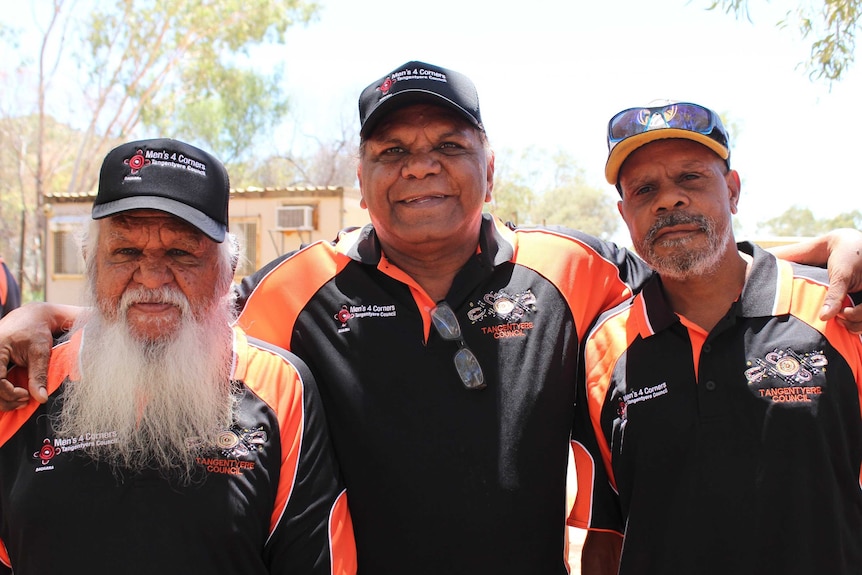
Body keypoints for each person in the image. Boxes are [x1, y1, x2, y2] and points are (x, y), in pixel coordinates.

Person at [0, 64, 861, 574]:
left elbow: (696, 255)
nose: (422, 170)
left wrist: (828, 240)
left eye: (448, 146)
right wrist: (46, 314)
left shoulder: (574, 272)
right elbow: (175, 305)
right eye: (393, 152)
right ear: (364, 172)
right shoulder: (295, 288)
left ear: (491, 164)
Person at [0, 138, 356, 575]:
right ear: (90, 261)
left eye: (181, 253)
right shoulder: (22, 384)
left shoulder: (281, 388)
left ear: (228, 270)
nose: (151, 276)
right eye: (126, 251)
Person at [569, 101, 862, 575]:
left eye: (690, 178)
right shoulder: (605, 346)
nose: (669, 200)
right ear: (625, 214)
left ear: (732, 190)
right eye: (645, 189)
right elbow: (606, 535)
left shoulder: (834, 312)